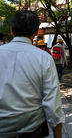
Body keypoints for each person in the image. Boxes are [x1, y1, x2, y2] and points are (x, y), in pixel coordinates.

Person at [0, 10, 64, 138]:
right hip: (32, 129)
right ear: (35, 33)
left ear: (12, 30)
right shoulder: (44, 58)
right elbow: (53, 102)